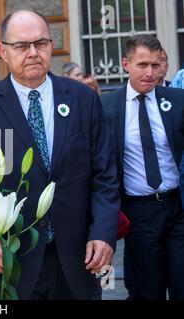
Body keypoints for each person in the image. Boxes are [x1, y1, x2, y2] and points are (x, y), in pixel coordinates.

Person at [0, 10, 119, 300]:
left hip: (80, 259)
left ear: (51, 46)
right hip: (11, 261)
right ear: (3, 51)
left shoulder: (83, 99)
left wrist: (104, 233)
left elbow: (105, 175)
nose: (33, 52)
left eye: (41, 43)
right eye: (21, 45)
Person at [101, 34, 184, 300]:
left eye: (155, 65)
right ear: (126, 64)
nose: (150, 73)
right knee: (148, 291)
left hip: (178, 209)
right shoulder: (107, 107)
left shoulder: (177, 101)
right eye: (142, 65)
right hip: (139, 214)